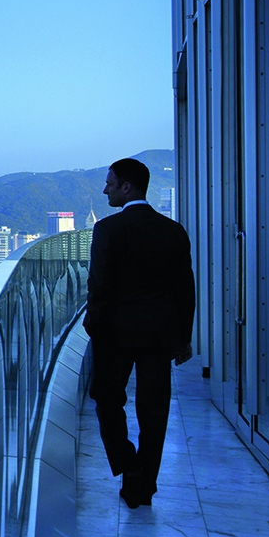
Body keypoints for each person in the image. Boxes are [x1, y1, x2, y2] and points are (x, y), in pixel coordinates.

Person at [85, 156, 196, 509]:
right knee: (154, 411)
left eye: (110, 183)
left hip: (115, 336)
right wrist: (184, 338)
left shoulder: (108, 230)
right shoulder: (173, 231)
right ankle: (143, 484)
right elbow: (185, 290)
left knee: (107, 400)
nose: (105, 189)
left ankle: (127, 463)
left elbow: (98, 287)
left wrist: (94, 328)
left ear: (126, 186)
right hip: (160, 336)